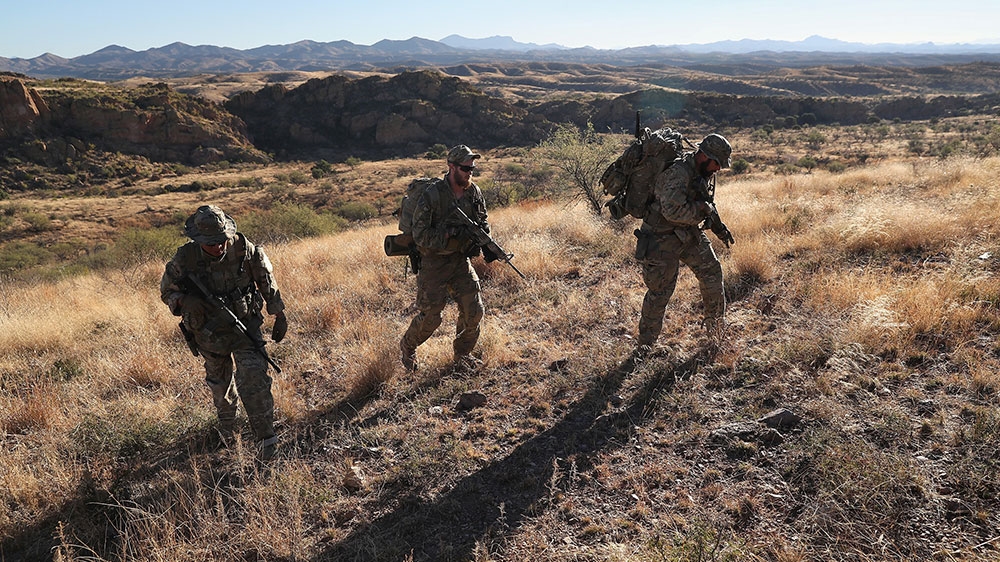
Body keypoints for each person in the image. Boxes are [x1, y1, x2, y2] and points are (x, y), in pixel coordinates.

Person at [160, 205, 288, 461]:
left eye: (221, 241)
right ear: (197, 240)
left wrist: (278, 312)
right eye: (210, 243)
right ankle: (229, 433)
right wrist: (185, 301)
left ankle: (266, 439)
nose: (218, 247)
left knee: (254, 380)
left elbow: (265, 279)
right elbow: (167, 292)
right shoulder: (184, 259)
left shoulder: (243, 248)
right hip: (209, 334)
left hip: (245, 328)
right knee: (220, 388)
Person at [633, 133, 734, 352]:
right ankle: (645, 348)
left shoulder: (701, 172)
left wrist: (719, 228)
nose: (717, 169)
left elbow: (705, 204)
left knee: (712, 273)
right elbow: (672, 211)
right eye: (716, 163)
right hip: (660, 239)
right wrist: (700, 211)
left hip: (687, 234)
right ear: (703, 156)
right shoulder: (677, 173)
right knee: (660, 292)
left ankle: (715, 333)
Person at [400, 145, 489, 372]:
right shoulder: (433, 195)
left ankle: (461, 356)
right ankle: (408, 346)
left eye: (472, 167)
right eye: (465, 167)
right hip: (434, 263)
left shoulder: (474, 192)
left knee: (474, 311)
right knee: (431, 317)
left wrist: (482, 241)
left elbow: (483, 221)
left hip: (459, 262)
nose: (470, 171)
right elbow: (420, 235)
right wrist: (449, 234)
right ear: (451, 167)